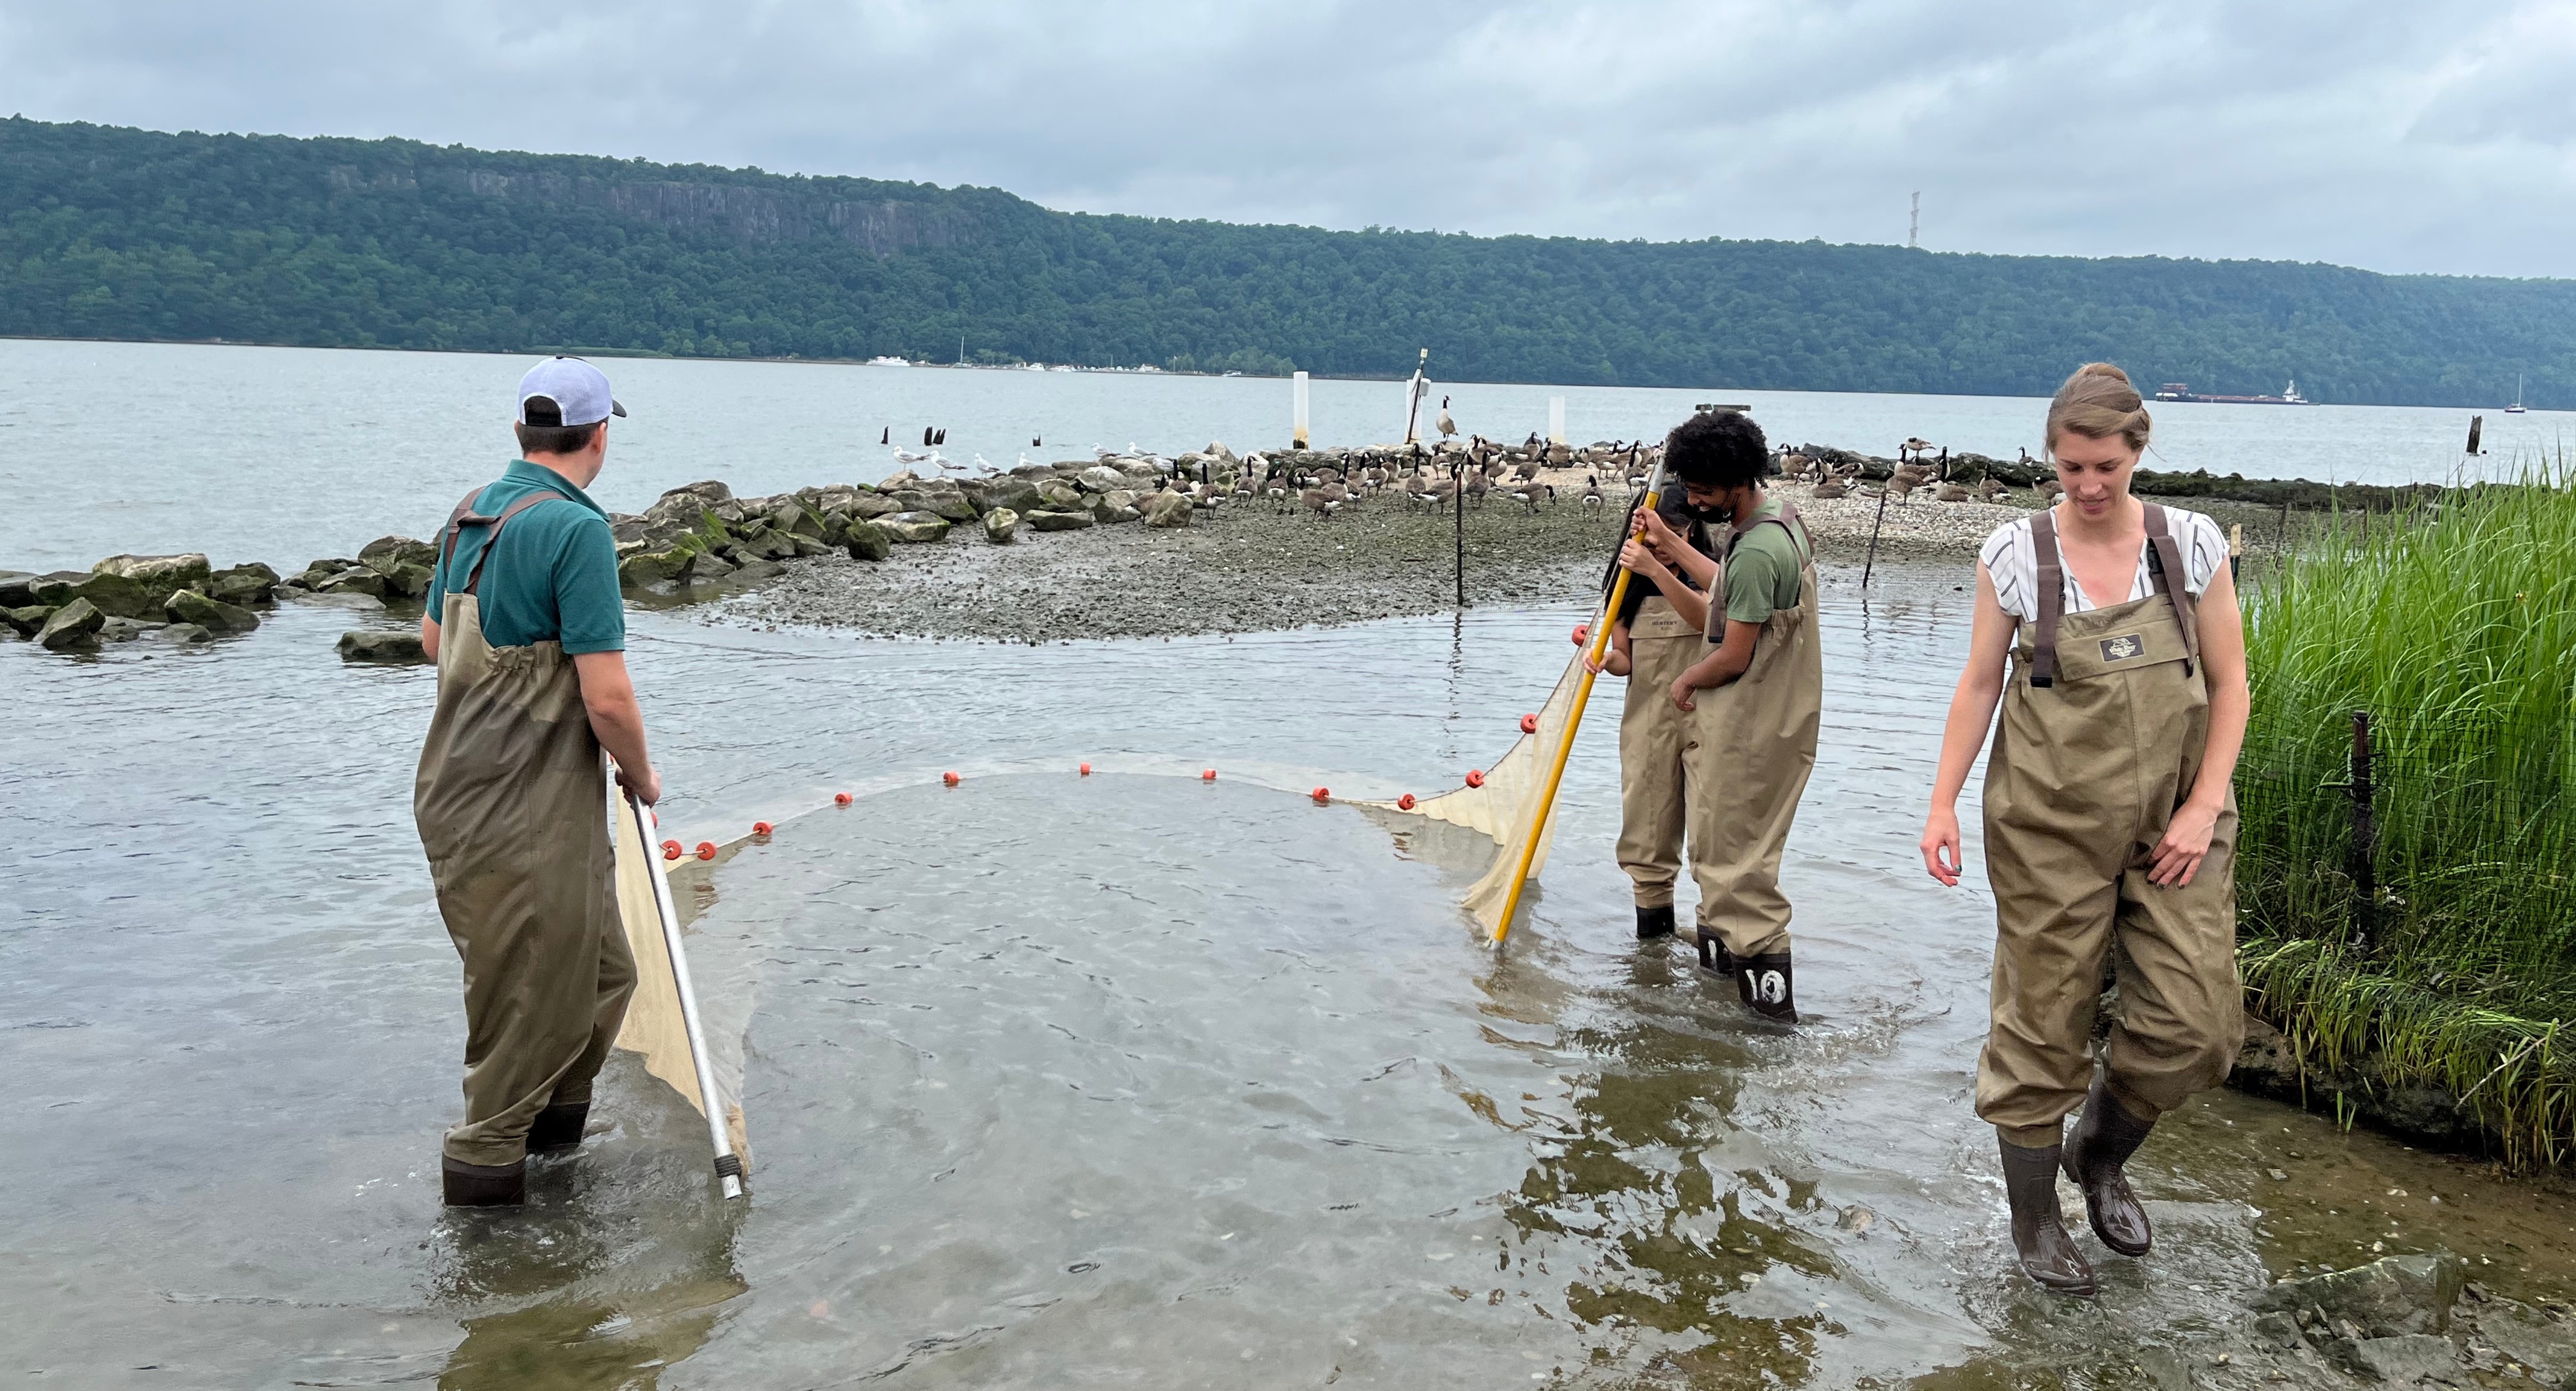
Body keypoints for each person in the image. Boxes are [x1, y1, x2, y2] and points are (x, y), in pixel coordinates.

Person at [1916, 362, 2248, 1296]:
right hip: (2048, 826)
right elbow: (1981, 684)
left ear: (2139, 451)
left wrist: (2201, 806)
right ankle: (2034, 1223)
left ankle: (2097, 1153)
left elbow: (2232, 684)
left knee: (2198, 1023)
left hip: (2178, 820)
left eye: (2106, 465)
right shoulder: (2014, 554)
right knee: (2042, 1023)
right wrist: (1942, 800)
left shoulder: (2190, 545)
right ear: (2051, 460)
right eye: (2070, 468)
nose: (2090, 486)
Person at [415, 357, 658, 1208]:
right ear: (599, 435)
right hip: (520, 807)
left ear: (523, 432)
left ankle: (556, 1154)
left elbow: (431, 642)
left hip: (462, 788)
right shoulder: (577, 531)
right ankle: (496, 1262)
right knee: (521, 1008)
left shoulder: (470, 516)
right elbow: (607, 694)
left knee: (602, 978)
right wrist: (641, 773)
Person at [1658, 410, 1824, 1022]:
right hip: (1779, 720)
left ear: (1737, 480)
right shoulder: (1776, 519)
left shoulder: (1757, 549)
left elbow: (1732, 652)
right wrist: (1668, 549)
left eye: (1703, 490)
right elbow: (1730, 592)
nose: (1693, 499)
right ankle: (1718, 1003)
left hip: (1753, 728)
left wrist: (1685, 678)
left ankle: (1766, 1026)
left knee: (1738, 870)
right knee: (1722, 858)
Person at [1583, 477, 1722, 942]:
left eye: (1675, 535)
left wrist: (1659, 567)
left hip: (1710, 723)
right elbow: (1625, 661)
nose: (1664, 545)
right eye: (1655, 534)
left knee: (1714, 838)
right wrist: (1604, 659)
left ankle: (1719, 947)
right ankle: (1653, 953)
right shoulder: (1625, 584)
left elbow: (1708, 618)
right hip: (1648, 723)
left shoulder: (1713, 572)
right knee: (1648, 837)